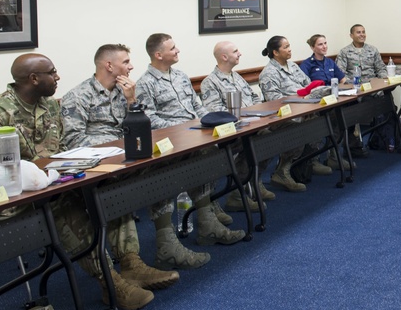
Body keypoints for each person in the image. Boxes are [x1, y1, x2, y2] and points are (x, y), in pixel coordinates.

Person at [0, 53, 155, 310]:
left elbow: (62, 147)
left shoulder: (50, 105)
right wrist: (36, 176)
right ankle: (109, 282)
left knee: (108, 190)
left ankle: (131, 263)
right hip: (21, 194)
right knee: (64, 205)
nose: (57, 77)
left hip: (57, 180)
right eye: (51, 73)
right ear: (33, 78)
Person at [59, 45, 178, 309]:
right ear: (108, 66)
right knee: (111, 194)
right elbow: (72, 140)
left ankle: (133, 263)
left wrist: (132, 102)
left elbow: (141, 127)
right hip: (96, 170)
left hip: (122, 166)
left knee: (160, 172)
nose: (131, 67)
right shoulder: (78, 97)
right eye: (126, 62)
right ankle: (112, 277)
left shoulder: (125, 93)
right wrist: (117, 144)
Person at [135, 33, 243, 268]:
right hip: (172, 142)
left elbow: (197, 106)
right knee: (164, 176)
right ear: (158, 54)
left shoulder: (181, 76)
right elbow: (149, 117)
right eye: (173, 48)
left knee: (210, 158)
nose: (178, 51)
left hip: (196, 135)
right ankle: (168, 244)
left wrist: (211, 122)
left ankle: (207, 224)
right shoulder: (145, 83)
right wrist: (182, 130)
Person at [258, 36, 346, 190]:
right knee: (300, 128)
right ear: (275, 52)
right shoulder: (269, 73)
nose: (290, 49)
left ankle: (311, 160)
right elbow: (275, 100)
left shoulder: (292, 66)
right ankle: (283, 171)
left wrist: (318, 92)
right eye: (285, 47)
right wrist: (303, 98)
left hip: (305, 108)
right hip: (287, 114)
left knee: (325, 119)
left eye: (289, 45)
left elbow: (308, 84)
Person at [199, 40, 275, 210]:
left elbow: (255, 98)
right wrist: (245, 116)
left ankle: (255, 182)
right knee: (249, 146)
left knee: (269, 139)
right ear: (224, 57)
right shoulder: (210, 82)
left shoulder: (237, 76)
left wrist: (256, 113)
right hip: (232, 134)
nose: (239, 53)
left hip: (252, 125)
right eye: (235, 51)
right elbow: (215, 112)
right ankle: (237, 193)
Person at [300, 33, 366, 159]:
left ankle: (338, 152)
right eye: (320, 44)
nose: (324, 47)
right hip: (319, 103)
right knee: (335, 118)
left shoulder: (330, 62)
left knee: (352, 107)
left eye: (325, 43)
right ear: (313, 48)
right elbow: (306, 88)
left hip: (335, 100)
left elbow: (342, 80)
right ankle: (319, 158)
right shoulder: (307, 65)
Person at [335, 24, 396, 152]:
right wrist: (353, 85)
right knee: (351, 109)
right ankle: (355, 143)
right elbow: (341, 73)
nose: (362, 34)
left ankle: (385, 139)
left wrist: (384, 82)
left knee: (386, 103)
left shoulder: (372, 50)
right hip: (355, 90)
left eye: (363, 32)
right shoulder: (344, 52)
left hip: (373, 88)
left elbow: (380, 69)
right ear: (351, 35)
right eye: (358, 32)